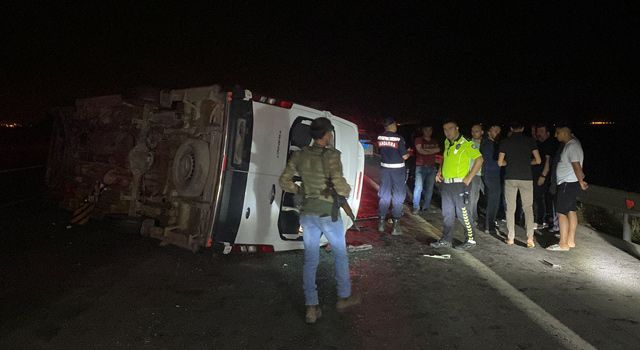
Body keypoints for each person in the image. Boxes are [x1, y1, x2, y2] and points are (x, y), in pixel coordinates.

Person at [279, 117, 360, 324]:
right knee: (340, 255)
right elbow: (341, 186)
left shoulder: (299, 155)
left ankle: (311, 308)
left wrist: (301, 190)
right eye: (330, 133)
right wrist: (347, 191)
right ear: (326, 135)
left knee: (310, 260)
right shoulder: (332, 156)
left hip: (307, 215)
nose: (331, 136)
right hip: (328, 214)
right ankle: (344, 297)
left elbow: (284, 181)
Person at [431, 120, 483, 250]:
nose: (447, 132)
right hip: (447, 184)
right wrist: (439, 171)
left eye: (450, 128)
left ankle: (470, 240)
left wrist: (469, 177)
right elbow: (445, 158)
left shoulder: (466, 143)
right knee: (447, 213)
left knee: (463, 213)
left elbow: (479, 159)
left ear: (457, 128)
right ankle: (446, 239)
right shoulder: (447, 142)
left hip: (460, 184)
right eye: (445, 129)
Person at [498, 121, 541, 247]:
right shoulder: (530, 141)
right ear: (522, 128)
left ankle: (510, 238)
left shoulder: (505, 142)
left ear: (511, 127)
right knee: (528, 208)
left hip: (510, 178)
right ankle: (530, 239)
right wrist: (527, 163)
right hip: (526, 178)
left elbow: (500, 163)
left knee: (510, 209)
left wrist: (509, 163)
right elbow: (538, 160)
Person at [547, 122, 588, 251]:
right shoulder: (573, 144)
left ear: (564, 132)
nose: (555, 135)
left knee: (561, 213)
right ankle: (570, 241)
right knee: (571, 211)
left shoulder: (572, 146)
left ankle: (563, 244)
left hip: (567, 184)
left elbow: (577, 166)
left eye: (557, 132)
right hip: (570, 183)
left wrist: (581, 181)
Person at [377, 117, 410, 235]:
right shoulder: (398, 138)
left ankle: (381, 223)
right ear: (392, 125)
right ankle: (396, 226)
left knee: (384, 195)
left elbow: (380, 151)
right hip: (397, 171)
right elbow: (405, 156)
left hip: (385, 169)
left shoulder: (380, 137)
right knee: (398, 196)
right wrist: (409, 152)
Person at [532, 123, 559, 229]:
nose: (539, 134)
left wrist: (543, 175)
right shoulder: (538, 143)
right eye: (538, 132)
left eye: (541, 132)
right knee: (538, 197)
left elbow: (548, 162)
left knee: (540, 197)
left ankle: (540, 220)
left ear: (548, 133)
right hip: (536, 174)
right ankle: (543, 219)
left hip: (543, 176)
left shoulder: (549, 144)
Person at [412, 124, 440, 214]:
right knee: (418, 187)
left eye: (430, 130)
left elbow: (438, 150)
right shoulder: (418, 139)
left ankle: (426, 207)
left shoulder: (434, 141)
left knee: (430, 188)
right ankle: (416, 207)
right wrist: (432, 151)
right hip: (420, 167)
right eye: (426, 130)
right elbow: (420, 151)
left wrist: (426, 151)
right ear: (423, 131)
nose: (428, 132)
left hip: (432, 167)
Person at [480, 124, 502, 234]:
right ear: (489, 132)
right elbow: (491, 161)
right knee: (494, 200)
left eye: (499, 131)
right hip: (491, 174)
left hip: (491, 174)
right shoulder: (488, 144)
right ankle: (489, 226)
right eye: (495, 131)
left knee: (492, 200)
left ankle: (489, 224)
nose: (497, 133)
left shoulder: (492, 143)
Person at [468, 123, 484, 225]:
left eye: (476, 131)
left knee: (476, 197)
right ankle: (472, 218)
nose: (474, 133)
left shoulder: (485, 144)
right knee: (472, 197)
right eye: (473, 131)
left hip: (483, 174)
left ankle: (473, 216)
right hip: (473, 173)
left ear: (482, 132)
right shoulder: (469, 143)